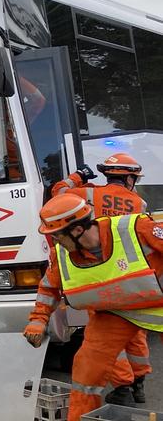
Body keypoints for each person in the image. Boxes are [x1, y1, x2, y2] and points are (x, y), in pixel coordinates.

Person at [23, 193, 163, 421]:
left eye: (57, 236)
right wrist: (38, 320)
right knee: (86, 368)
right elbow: (49, 288)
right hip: (115, 313)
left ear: (77, 230)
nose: (55, 242)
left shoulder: (137, 229)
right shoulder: (64, 255)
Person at [51, 153, 151, 405]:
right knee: (133, 328)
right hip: (130, 271)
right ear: (128, 178)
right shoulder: (139, 203)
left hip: (100, 272)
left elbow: (58, 193)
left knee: (106, 331)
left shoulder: (88, 194)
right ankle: (139, 382)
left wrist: (79, 176)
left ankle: (123, 386)